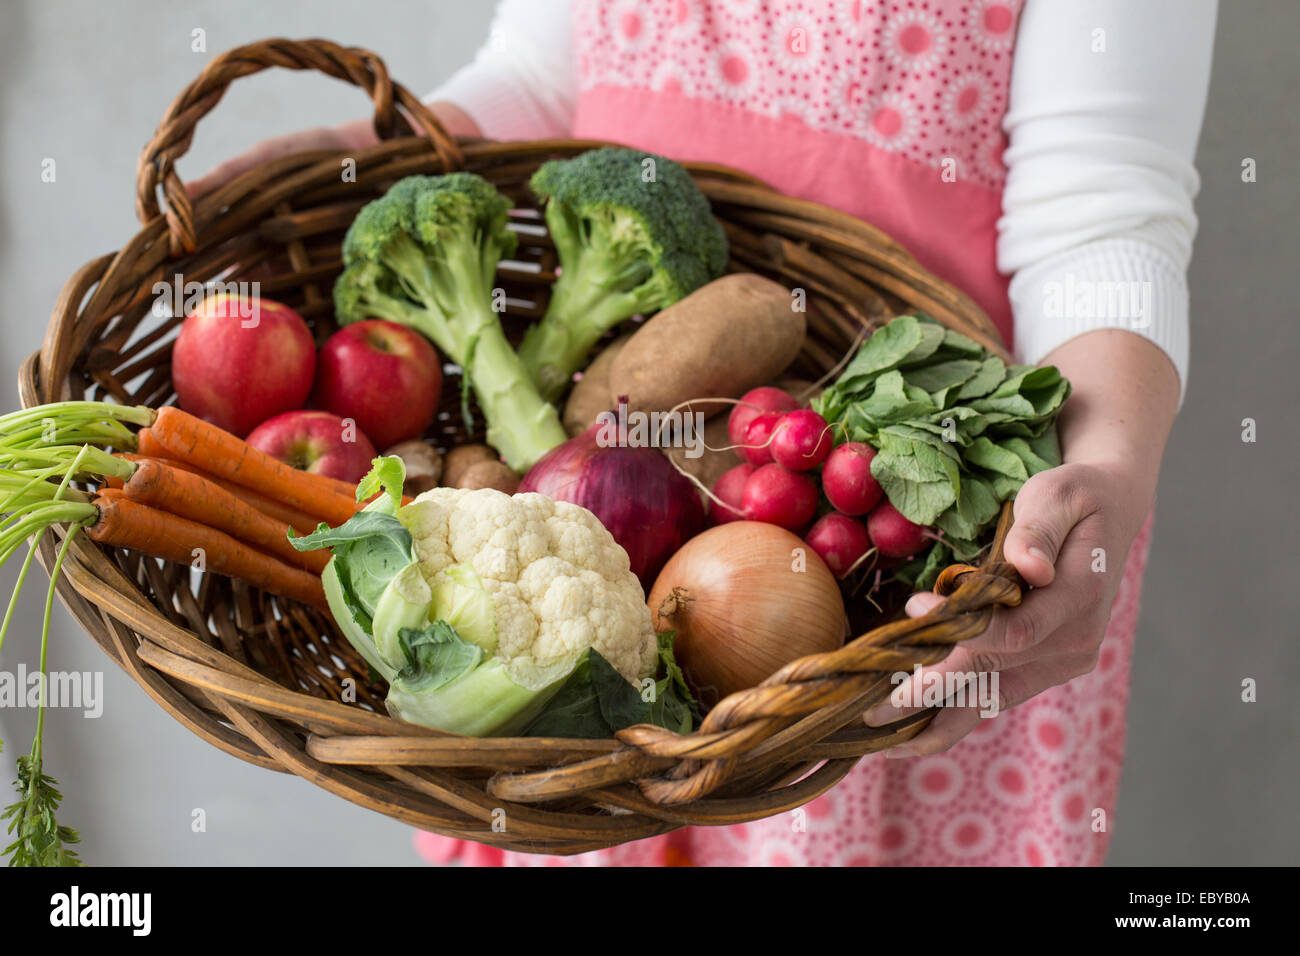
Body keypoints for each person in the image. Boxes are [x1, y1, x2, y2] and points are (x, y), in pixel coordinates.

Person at [193, 0, 1217, 866]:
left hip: (904, 568)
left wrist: (1109, 464)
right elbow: (549, 76)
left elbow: (1099, 209)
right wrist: (388, 153)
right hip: (603, 624)